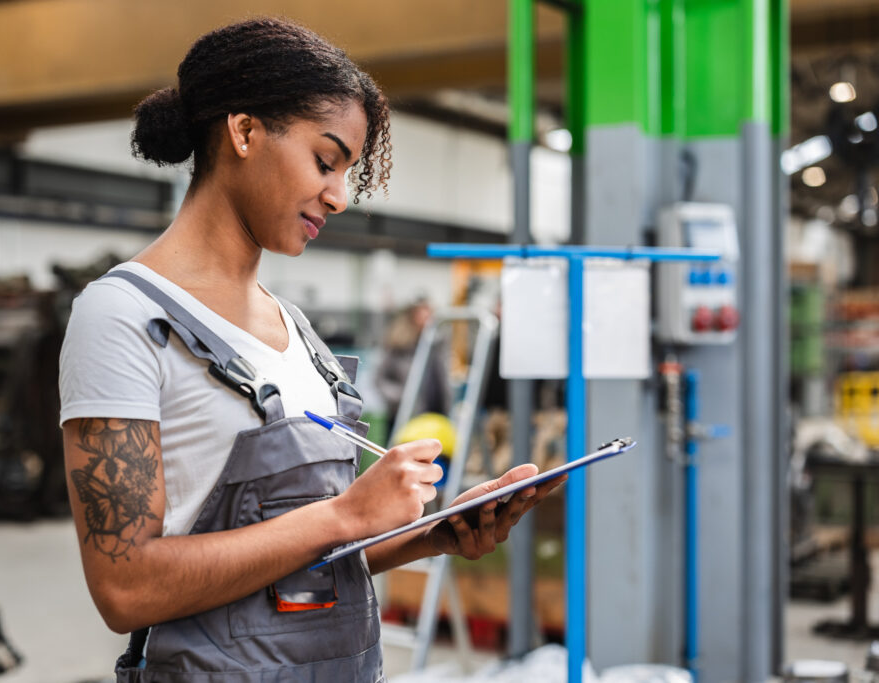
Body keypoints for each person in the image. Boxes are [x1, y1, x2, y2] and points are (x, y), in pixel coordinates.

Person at [58, 18, 564, 682]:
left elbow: (299, 561)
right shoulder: (122, 315)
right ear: (243, 132)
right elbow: (126, 588)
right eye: (325, 161)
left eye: (347, 171)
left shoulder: (295, 331)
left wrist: (429, 533)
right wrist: (346, 511)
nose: (340, 196)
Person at [375, 297, 450, 442]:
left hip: (435, 415)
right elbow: (379, 380)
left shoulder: (437, 344)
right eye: (422, 314)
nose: (427, 318)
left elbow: (442, 379)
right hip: (404, 416)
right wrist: (401, 398)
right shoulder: (398, 345)